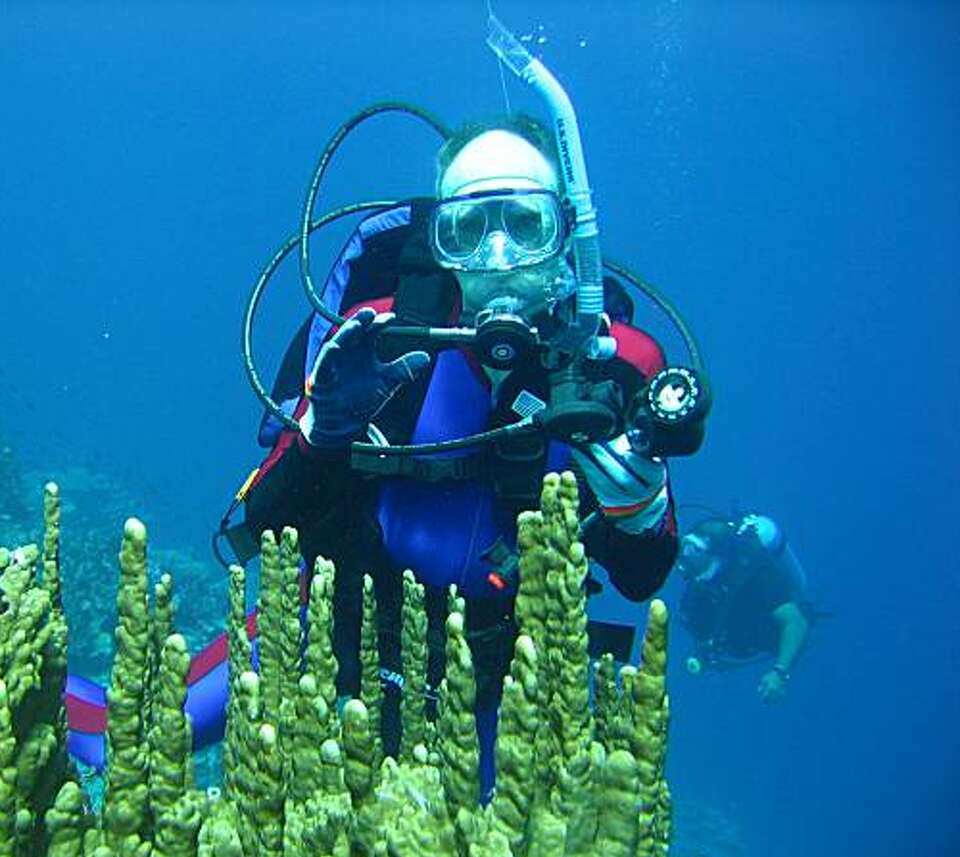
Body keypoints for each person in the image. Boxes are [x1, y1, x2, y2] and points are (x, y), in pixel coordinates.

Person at [239, 116, 690, 797]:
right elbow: (260, 520)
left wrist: (640, 510)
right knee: (116, 727)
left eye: (526, 223)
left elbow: (640, 575)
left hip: (499, 683)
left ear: (568, 235)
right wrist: (321, 434)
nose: (501, 254)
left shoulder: (619, 368)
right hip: (328, 633)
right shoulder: (381, 337)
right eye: (469, 229)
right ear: (441, 245)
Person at [675, 513, 812, 702]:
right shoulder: (703, 578)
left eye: (695, 555)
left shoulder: (758, 576)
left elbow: (795, 621)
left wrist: (779, 672)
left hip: (753, 623)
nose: (684, 566)